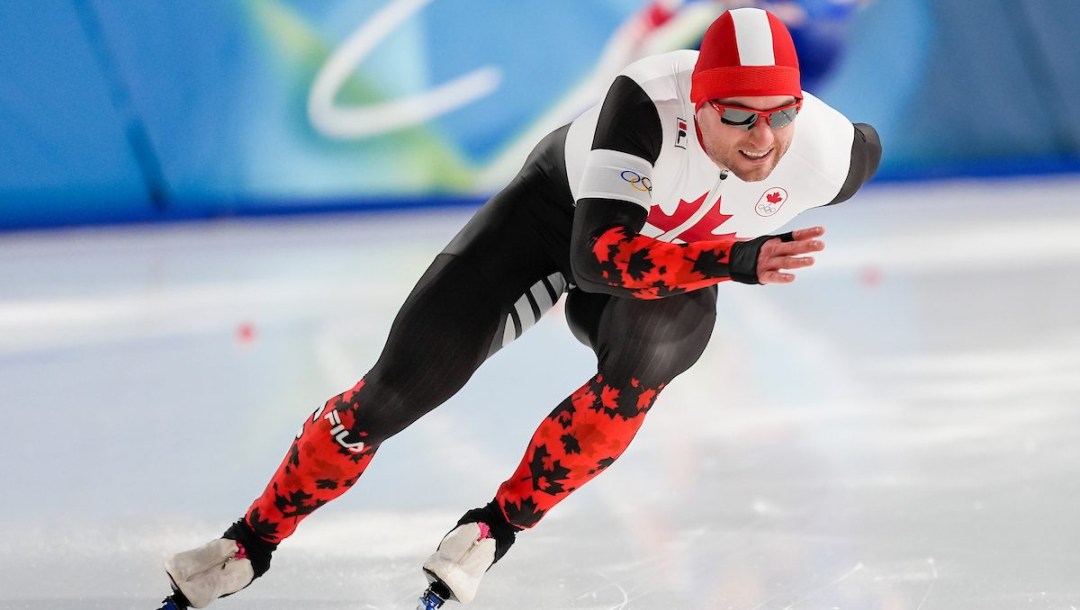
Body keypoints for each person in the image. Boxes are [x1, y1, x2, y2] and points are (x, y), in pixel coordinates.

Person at [158, 7, 881, 609]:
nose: (762, 138)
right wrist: (733, 259)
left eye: (780, 114)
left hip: (674, 265)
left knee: (642, 373)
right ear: (698, 103)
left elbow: (856, 145)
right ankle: (248, 544)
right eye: (739, 115)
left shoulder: (829, 152)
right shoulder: (646, 104)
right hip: (556, 219)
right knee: (398, 389)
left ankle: (492, 531)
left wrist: (725, 255)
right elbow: (597, 259)